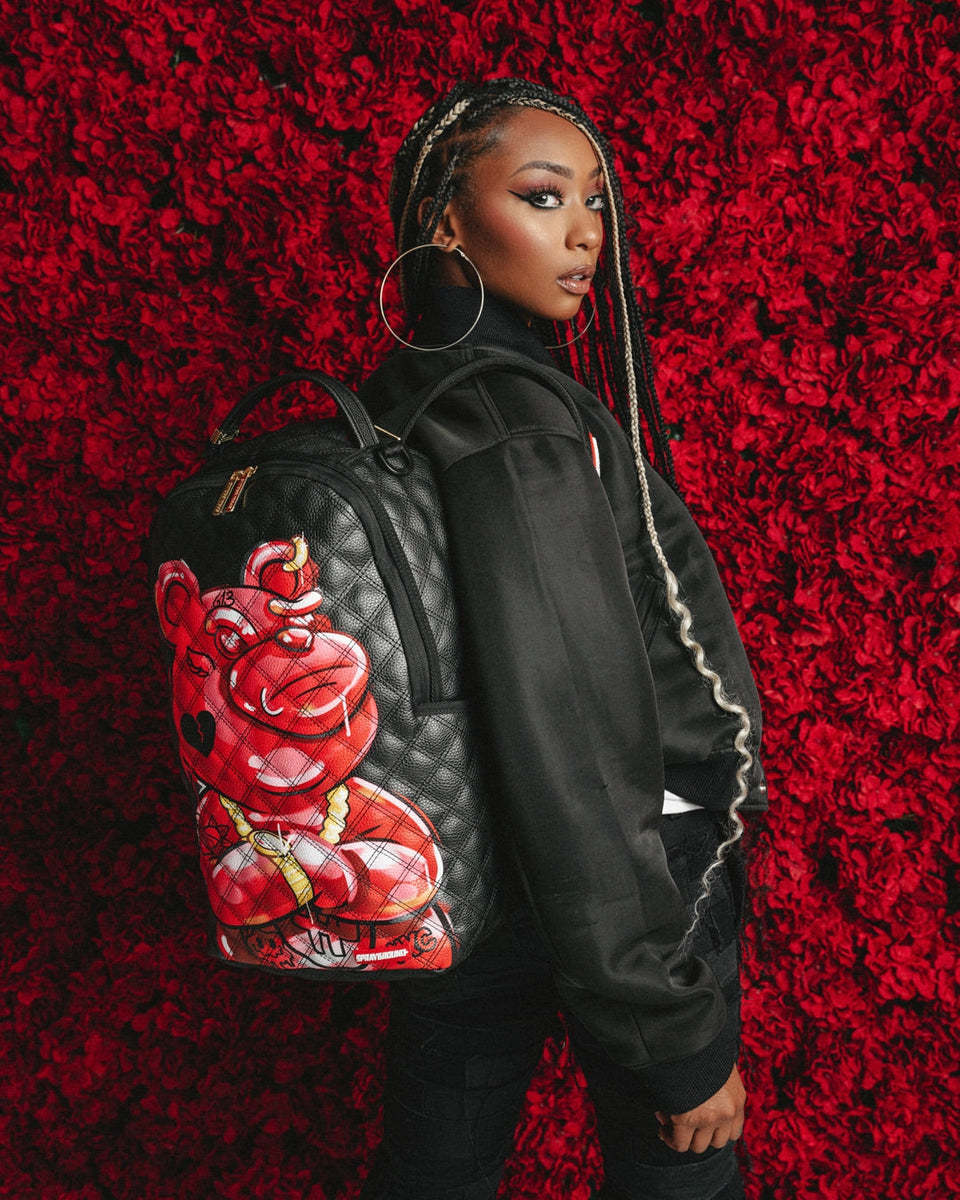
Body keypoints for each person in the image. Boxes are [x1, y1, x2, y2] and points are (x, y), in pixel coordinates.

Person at [358, 78, 767, 1200]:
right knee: (681, 1179)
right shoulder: (518, 423)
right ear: (446, 218)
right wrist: (671, 1034)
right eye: (543, 197)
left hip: (465, 879)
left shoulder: (400, 395)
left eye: (594, 201)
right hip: (621, 897)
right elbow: (576, 738)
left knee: (433, 1177)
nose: (586, 233)